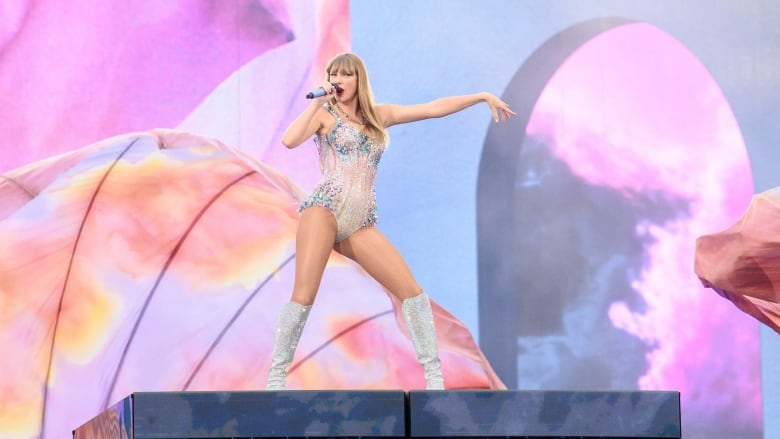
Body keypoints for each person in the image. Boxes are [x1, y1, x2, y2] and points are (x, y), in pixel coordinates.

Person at [266, 52, 515, 390]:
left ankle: (434, 378)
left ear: (359, 80)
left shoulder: (379, 117)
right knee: (305, 292)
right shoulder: (325, 115)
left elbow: (432, 108)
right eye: (333, 74)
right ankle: (277, 376)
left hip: (360, 220)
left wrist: (481, 96)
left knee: (412, 294)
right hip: (324, 209)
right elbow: (289, 140)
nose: (339, 79)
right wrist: (316, 104)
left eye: (346, 74)